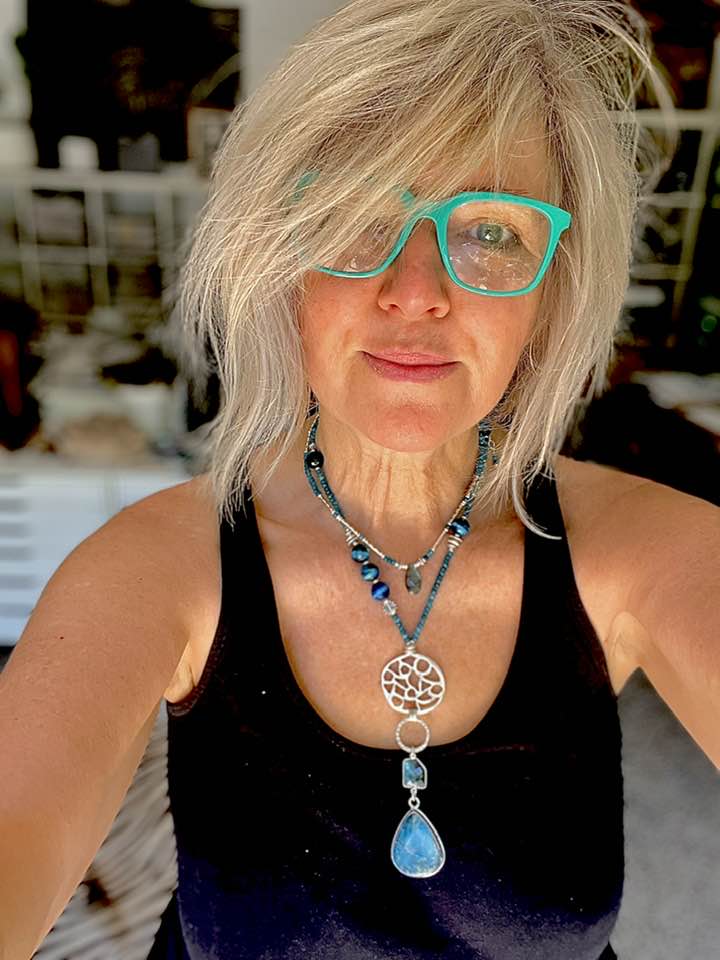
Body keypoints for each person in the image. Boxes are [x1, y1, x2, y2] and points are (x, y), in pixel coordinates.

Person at [1, 1, 718, 958]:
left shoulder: (641, 550)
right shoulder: (158, 569)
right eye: (352, 217)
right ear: (279, 263)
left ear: (551, 293)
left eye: (491, 231)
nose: (415, 292)